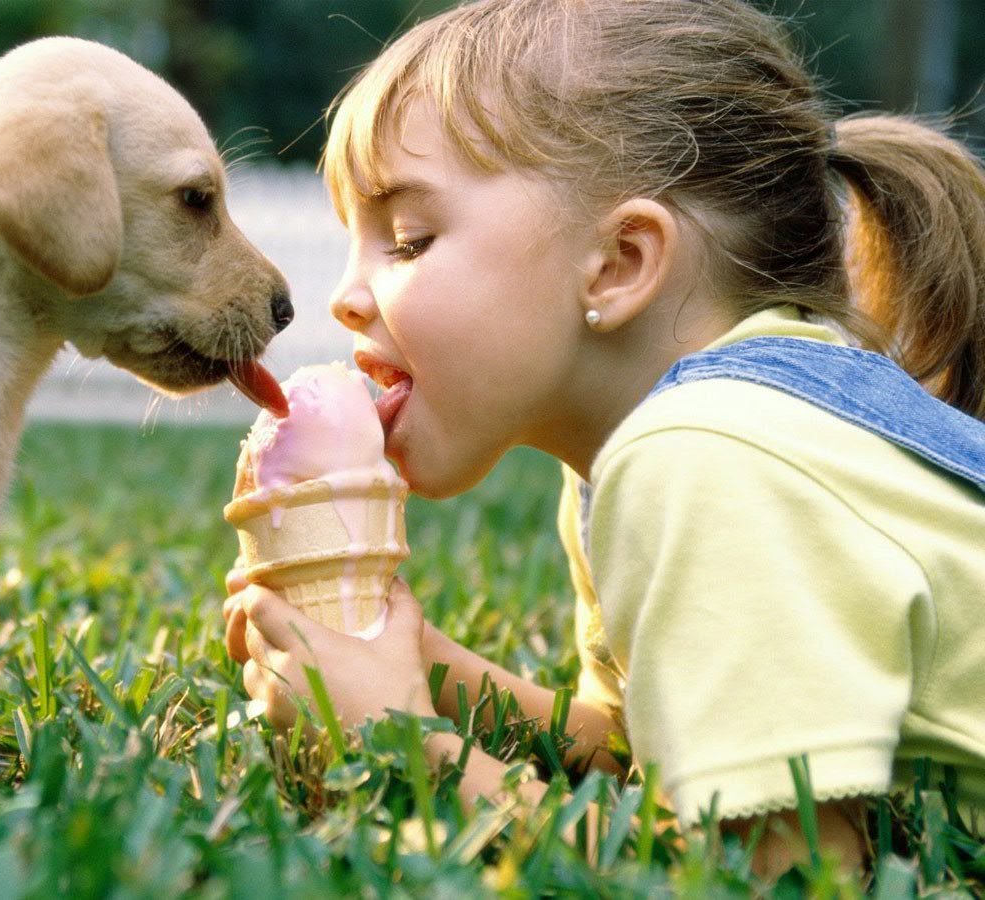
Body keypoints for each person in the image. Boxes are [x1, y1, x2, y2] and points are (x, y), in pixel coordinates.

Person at [223, 0, 985, 879]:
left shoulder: (710, 455)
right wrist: (423, 666)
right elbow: (630, 757)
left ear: (621, 261)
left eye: (407, 239)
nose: (346, 296)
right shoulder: (651, 455)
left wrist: (405, 745)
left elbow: (781, 873)